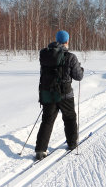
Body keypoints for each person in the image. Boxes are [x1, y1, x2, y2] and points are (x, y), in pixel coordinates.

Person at [35, 30, 84, 160]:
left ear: (56, 40)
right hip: (65, 94)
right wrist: (81, 68)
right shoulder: (71, 57)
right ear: (67, 41)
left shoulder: (44, 54)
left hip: (47, 93)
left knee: (47, 121)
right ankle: (72, 143)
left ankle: (40, 149)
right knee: (69, 118)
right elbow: (78, 76)